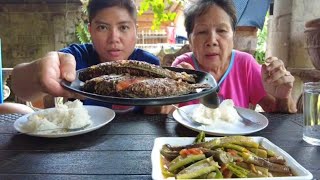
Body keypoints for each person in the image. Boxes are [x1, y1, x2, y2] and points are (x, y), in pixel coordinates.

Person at [150, 0, 297, 114]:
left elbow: (276, 109)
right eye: (202, 32)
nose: (212, 40)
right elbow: (162, 115)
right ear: (190, 40)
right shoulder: (182, 67)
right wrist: (168, 92)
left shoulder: (245, 64)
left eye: (221, 30)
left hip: (235, 149)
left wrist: (283, 97)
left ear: (233, 36)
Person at [11, 0, 159, 112]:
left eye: (123, 27)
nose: (114, 38)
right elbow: (18, 85)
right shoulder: (76, 58)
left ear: (136, 31)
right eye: (102, 27)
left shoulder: (151, 65)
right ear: (90, 30)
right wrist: (38, 72)